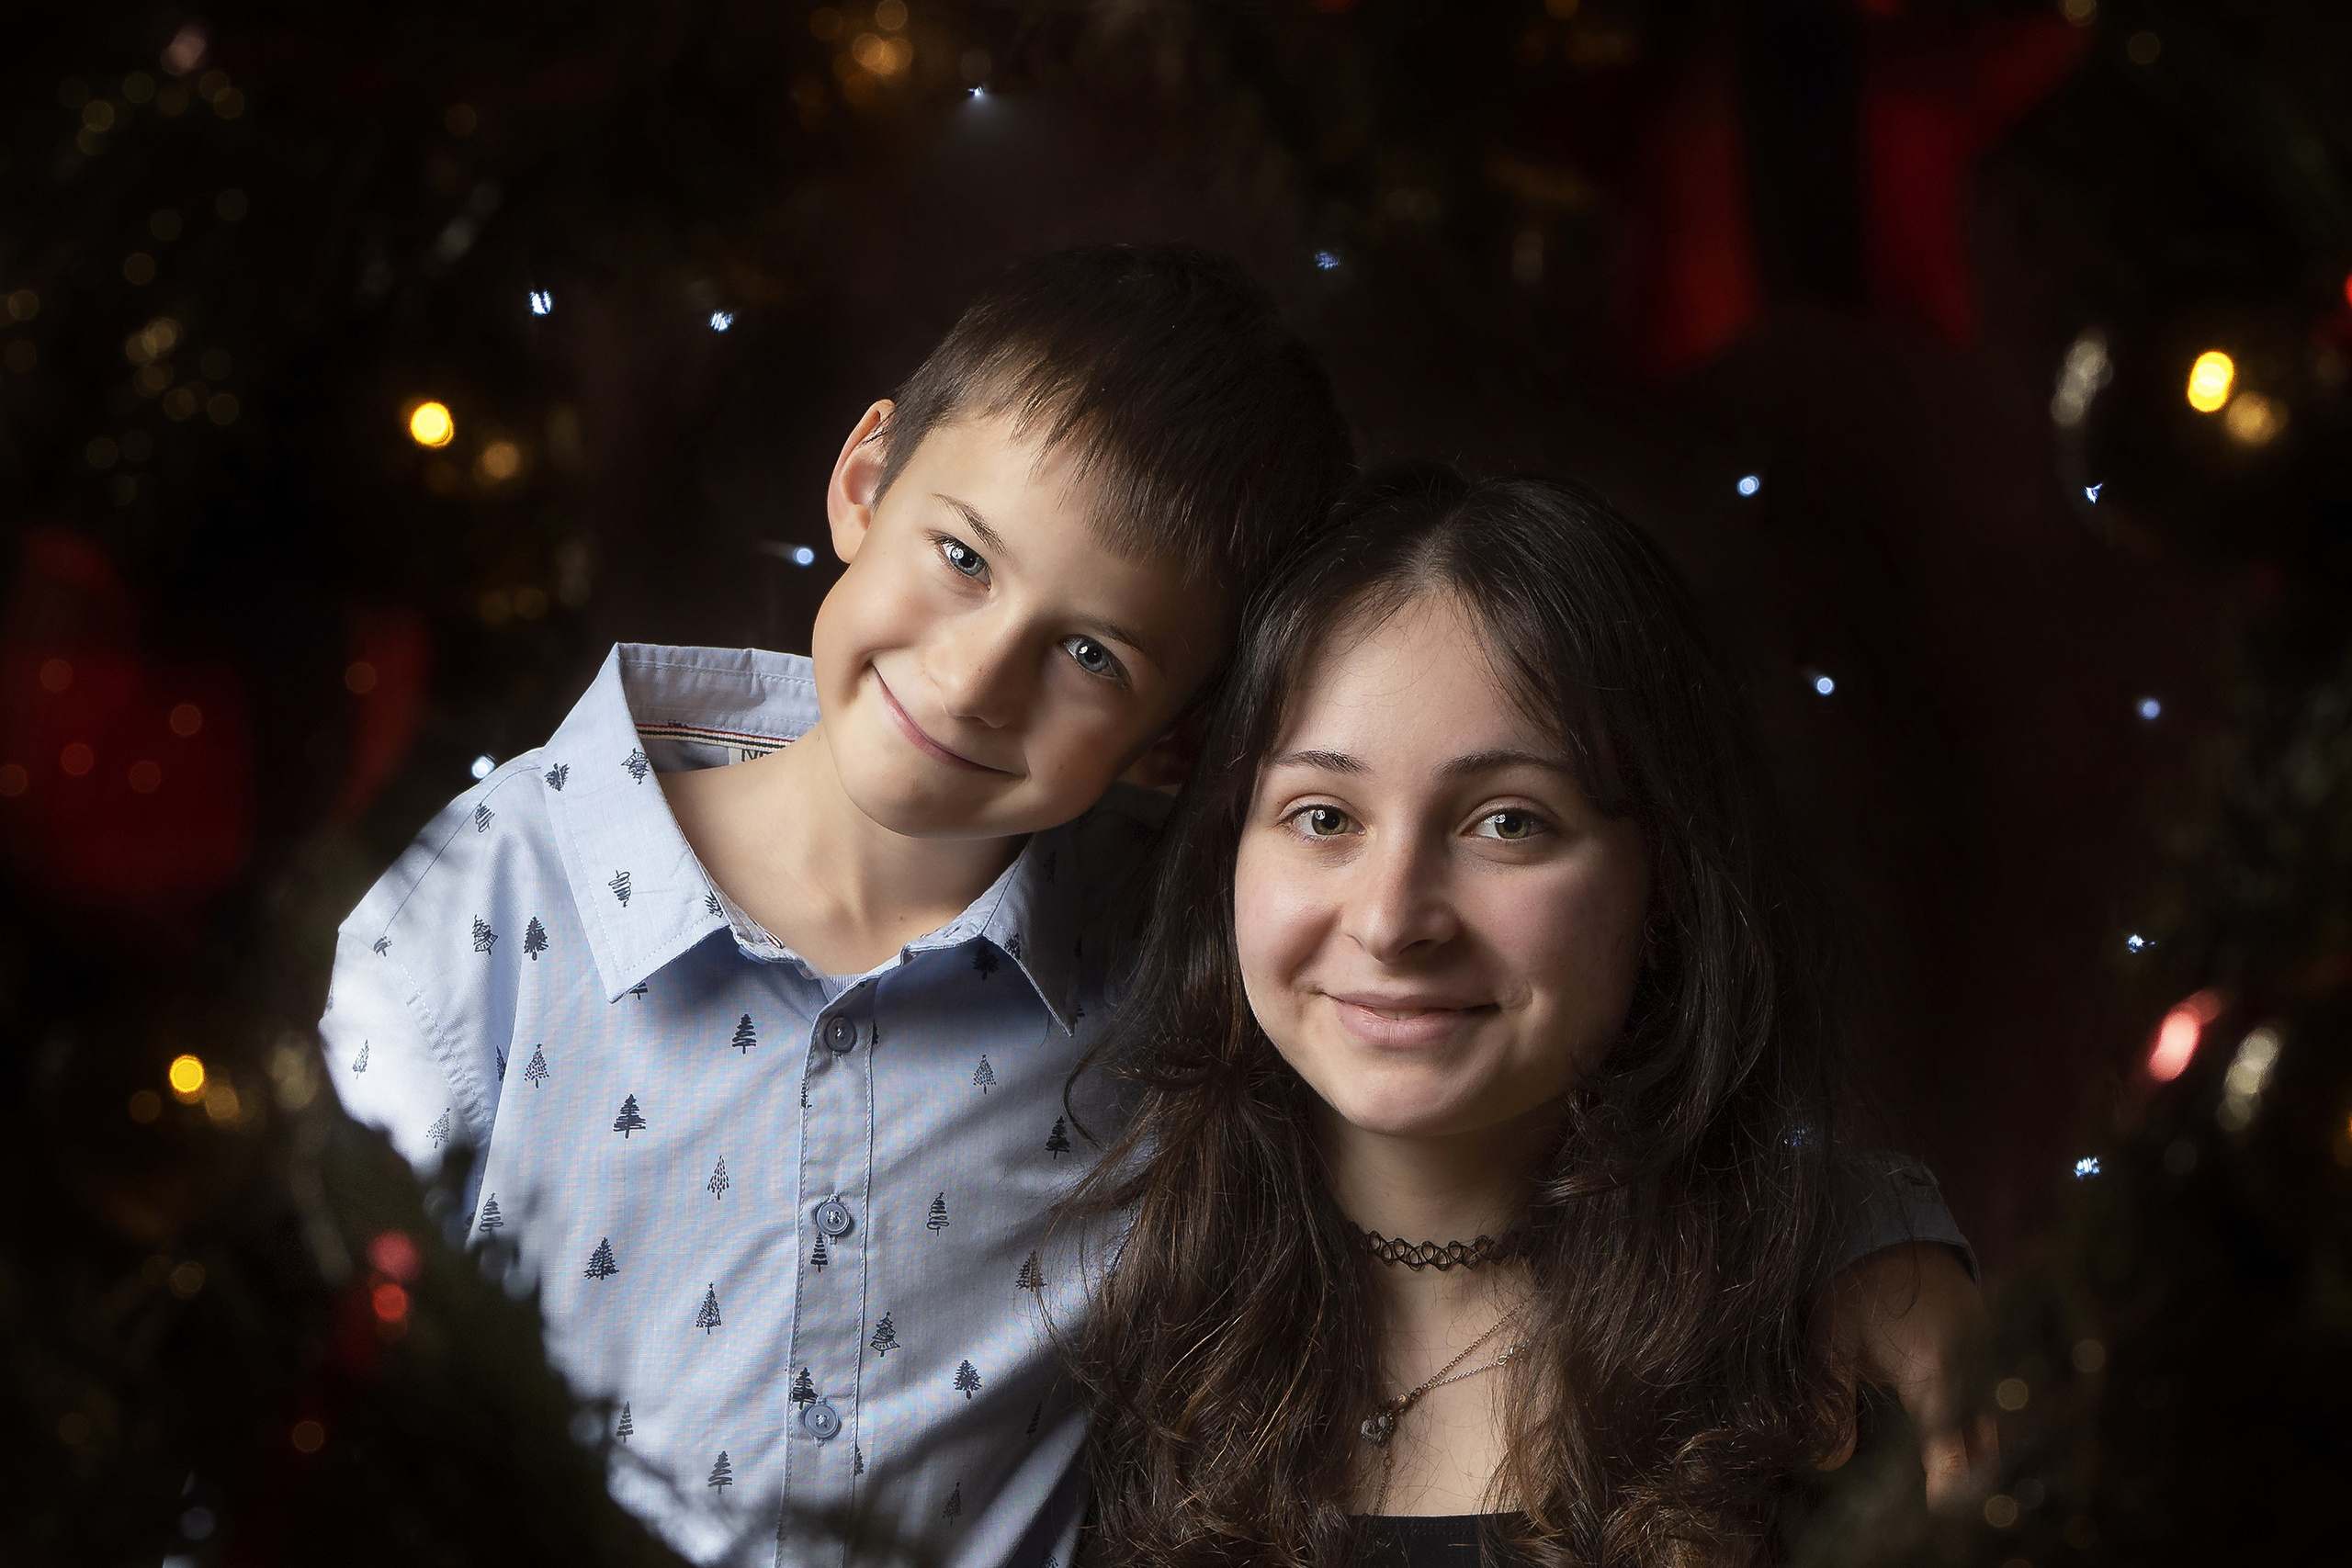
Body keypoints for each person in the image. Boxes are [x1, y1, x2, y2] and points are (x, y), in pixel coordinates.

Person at [319, 252, 1973, 1568]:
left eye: (1091, 652)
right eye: (963, 558)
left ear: (1173, 745)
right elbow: (281, 1332)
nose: (978, 677)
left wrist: (1867, 1237)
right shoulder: (489, 904)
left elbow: (1558, 1108)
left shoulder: (1153, 962)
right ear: (865, 479)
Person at [1068, 464, 1988, 1568]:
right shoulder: (1086, 1299)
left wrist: (1855, 1233)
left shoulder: (1838, 1362)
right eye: (1322, 816)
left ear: (1667, 876)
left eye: (1508, 822)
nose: (1392, 921)